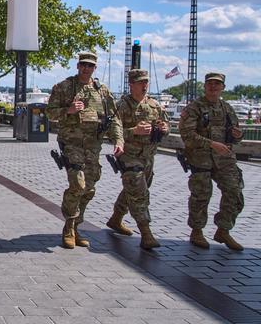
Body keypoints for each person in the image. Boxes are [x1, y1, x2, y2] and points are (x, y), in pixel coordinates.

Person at [47, 52, 123, 249]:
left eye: (90, 66)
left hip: (93, 147)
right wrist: (68, 110)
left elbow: (114, 118)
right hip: (71, 144)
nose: (86, 69)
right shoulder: (64, 87)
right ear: (77, 66)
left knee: (88, 189)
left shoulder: (102, 91)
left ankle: (76, 226)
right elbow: (49, 113)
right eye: (83, 65)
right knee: (78, 185)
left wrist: (118, 140)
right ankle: (69, 227)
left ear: (95, 68)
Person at [179, 72, 245, 251]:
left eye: (217, 84)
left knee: (235, 191)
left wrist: (238, 136)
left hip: (224, 159)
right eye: (210, 84)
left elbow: (233, 134)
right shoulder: (195, 108)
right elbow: (187, 135)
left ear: (223, 87)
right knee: (201, 195)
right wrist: (211, 144)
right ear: (205, 86)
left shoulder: (227, 108)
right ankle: (197, 230)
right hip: (201, 159)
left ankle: (223, 230)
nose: (213, 87)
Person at [106, 69, 168, 250]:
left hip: (148, 157)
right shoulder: (122, 106)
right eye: (140, 82)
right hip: (130, 157)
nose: (144, 86)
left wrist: (164, 129)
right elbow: (111, 133)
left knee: (133, 189)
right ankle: (146, 233)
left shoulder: (154, 105)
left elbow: (165, 127)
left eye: (146, 82)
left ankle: (116, 219)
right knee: (139, 193)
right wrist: (134, 131)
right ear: (131, 84)